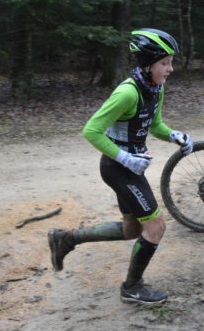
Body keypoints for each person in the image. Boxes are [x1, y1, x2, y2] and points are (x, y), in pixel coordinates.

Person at [47, 28, 193, 306]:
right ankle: (132, 287)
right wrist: (125, 158)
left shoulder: (155, 87)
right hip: (117, 169)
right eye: (165, 62)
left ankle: (66, 239)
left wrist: (175, 135)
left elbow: (156, 125)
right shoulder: (127, 93)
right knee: (156, 226)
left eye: (171, 62)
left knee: (131, 231)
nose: (171, 69)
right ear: (148, 63)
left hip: (130, 168)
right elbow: (91, 130)